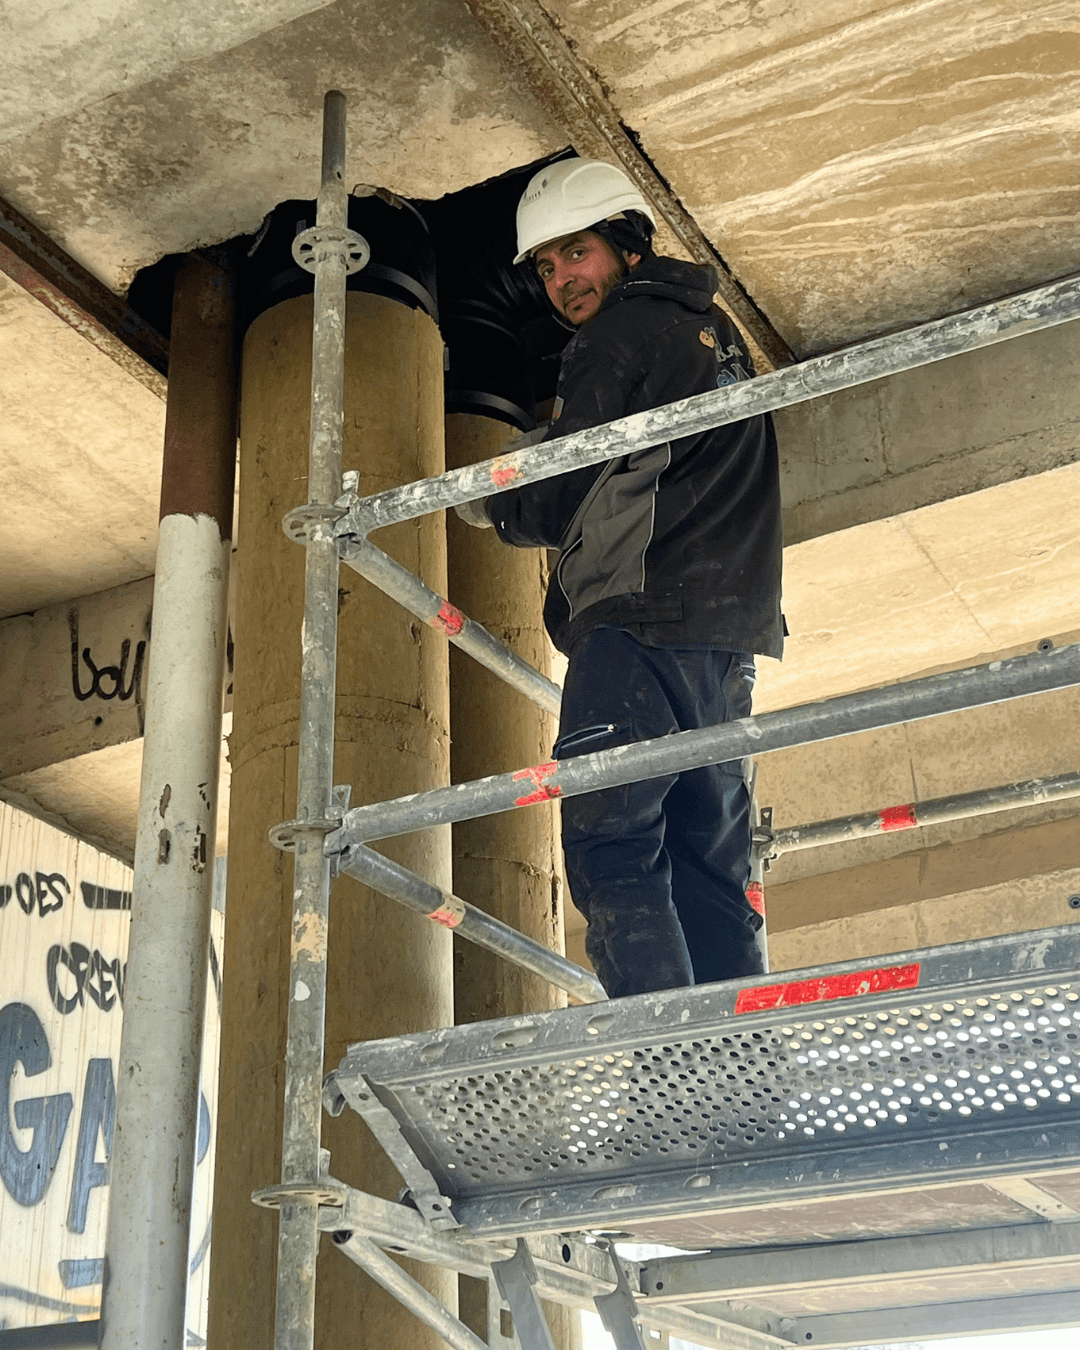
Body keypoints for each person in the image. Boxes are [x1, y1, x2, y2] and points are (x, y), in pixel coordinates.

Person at [458, 157, 784, 998]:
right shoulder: (717, 335)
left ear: (627, 244)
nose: (562, 279)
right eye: (547, 266)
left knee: (612, 845)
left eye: (576, 253)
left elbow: (571, 485)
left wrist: (495, 500)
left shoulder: (617, 333)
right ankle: (740, 1087)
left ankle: (672, 1076)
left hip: (637, 622)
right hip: (725, 644)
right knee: (707, 871)